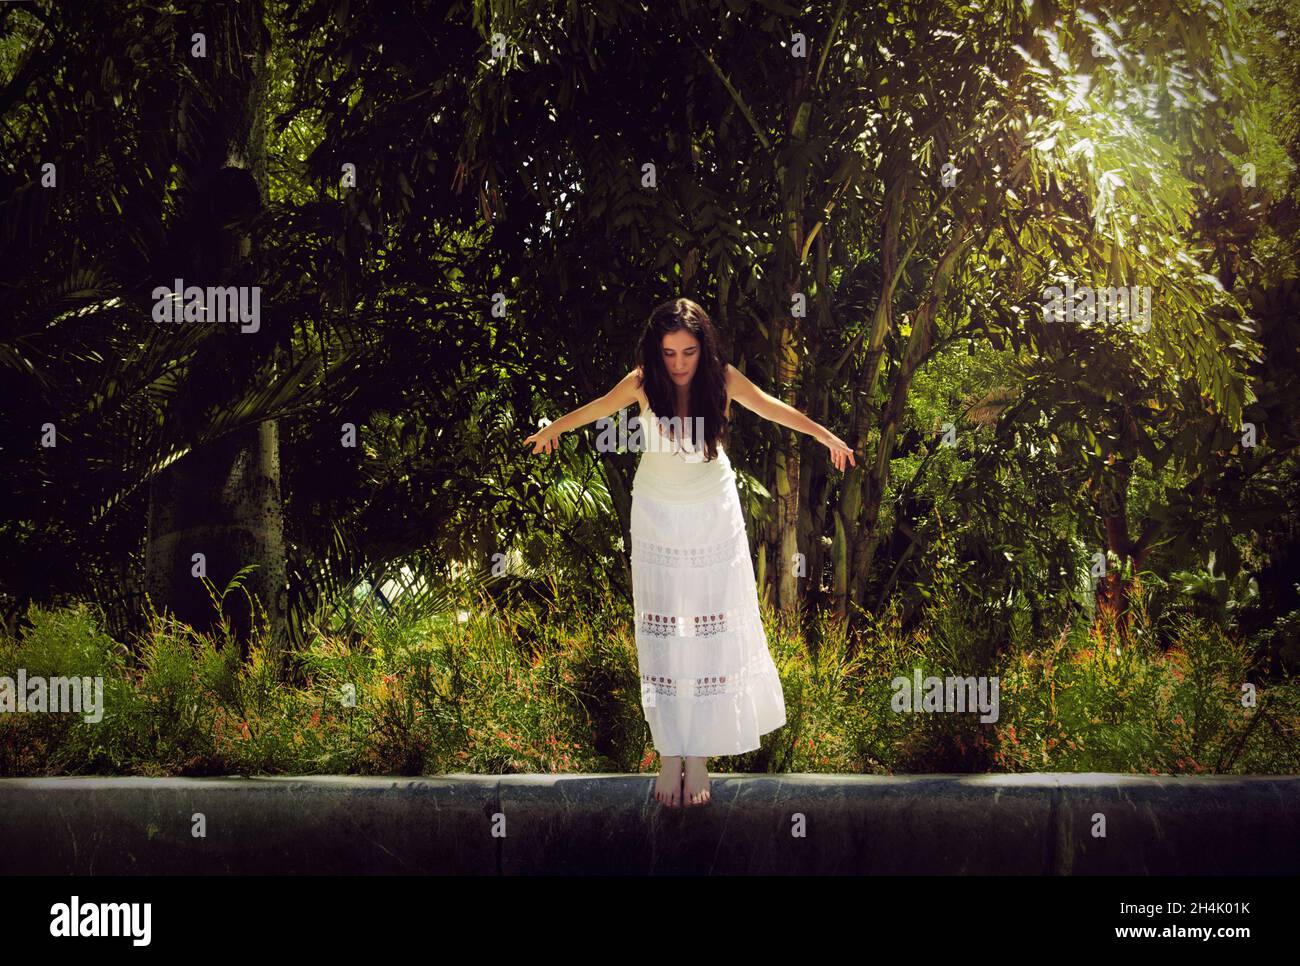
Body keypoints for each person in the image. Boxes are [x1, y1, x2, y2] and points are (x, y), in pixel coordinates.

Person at [523, 298, 855, 807]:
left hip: (711, 513)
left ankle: (697, 753)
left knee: (710, 623)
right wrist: (553, 429)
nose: (678, 363)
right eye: (670, 353)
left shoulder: (721, 379)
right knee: (663, 627)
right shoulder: (640, 382)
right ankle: (669, 753)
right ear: (656, 353)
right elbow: (595, 409)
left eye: (688, 352)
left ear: (704, 348)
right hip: (656, 512)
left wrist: (823, 433)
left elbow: (769, 405)